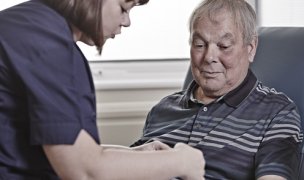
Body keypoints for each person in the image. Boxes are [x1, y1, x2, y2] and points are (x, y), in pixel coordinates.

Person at [0, 0, 205, 179]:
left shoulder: (28, 21)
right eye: (124, 8)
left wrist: (139, 155)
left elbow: (69, 147)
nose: (126, 21)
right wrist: (181, 162)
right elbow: (84, 171)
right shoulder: (50, 47)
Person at [131, 0, 303, 179]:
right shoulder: (163, 108)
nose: (209, 57)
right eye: (199, 45)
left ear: (250, 48)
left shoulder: (278, 113)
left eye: (224, 46)